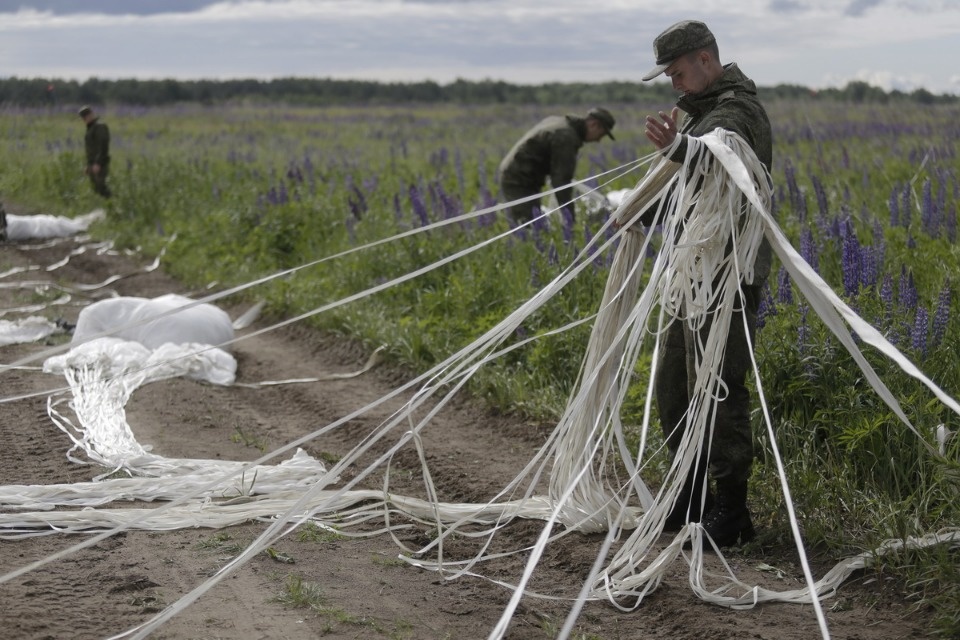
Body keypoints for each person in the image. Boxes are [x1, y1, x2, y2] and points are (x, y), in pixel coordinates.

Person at [638, 19, 773, 547]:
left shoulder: (738, 110)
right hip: (689, 276)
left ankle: (733, 511)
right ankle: (690, 494)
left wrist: (679, 149)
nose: (674, 83)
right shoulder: (699, 115)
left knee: (718, 389)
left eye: (677, 72)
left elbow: (725, 159)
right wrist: (638, 211)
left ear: (705, 60)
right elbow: (688, 191)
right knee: (674, 382)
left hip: (728, 275)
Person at [498, 107, 615, 223]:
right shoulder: (566, 137)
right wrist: (570, 219)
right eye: (601, 134)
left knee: (534, 223)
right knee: (528, 226)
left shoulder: (560, 123)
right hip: (518, 180)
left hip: (521, 175)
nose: (599, 140)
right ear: (594, 125)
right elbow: (561, 181)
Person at [79, 105, 112, 198]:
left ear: (91, 114)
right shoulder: (91, 128)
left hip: (99, 163)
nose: (85, 119)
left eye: (86, 116)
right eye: (83, 117)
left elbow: (103, 146)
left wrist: (98, 163)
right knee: (96, 189)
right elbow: (91, 149)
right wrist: (88, 165)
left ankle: (113, 206)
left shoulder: (99, 127)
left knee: (102, 188)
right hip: (92, 164)